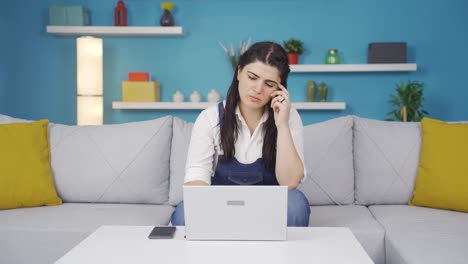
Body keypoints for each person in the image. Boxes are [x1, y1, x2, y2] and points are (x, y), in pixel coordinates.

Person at [171, 41, 310, 226]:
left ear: (279, 89)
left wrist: (282, 125)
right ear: (239, 73)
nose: (258, 89)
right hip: (219, 206)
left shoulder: (289, 118)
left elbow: (291, 182)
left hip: (269, 208)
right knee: (183, 213)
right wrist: (209, 211)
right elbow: (196, 177)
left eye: (269, 84)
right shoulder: (209, 118)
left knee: (296, 205)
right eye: (252, 77)